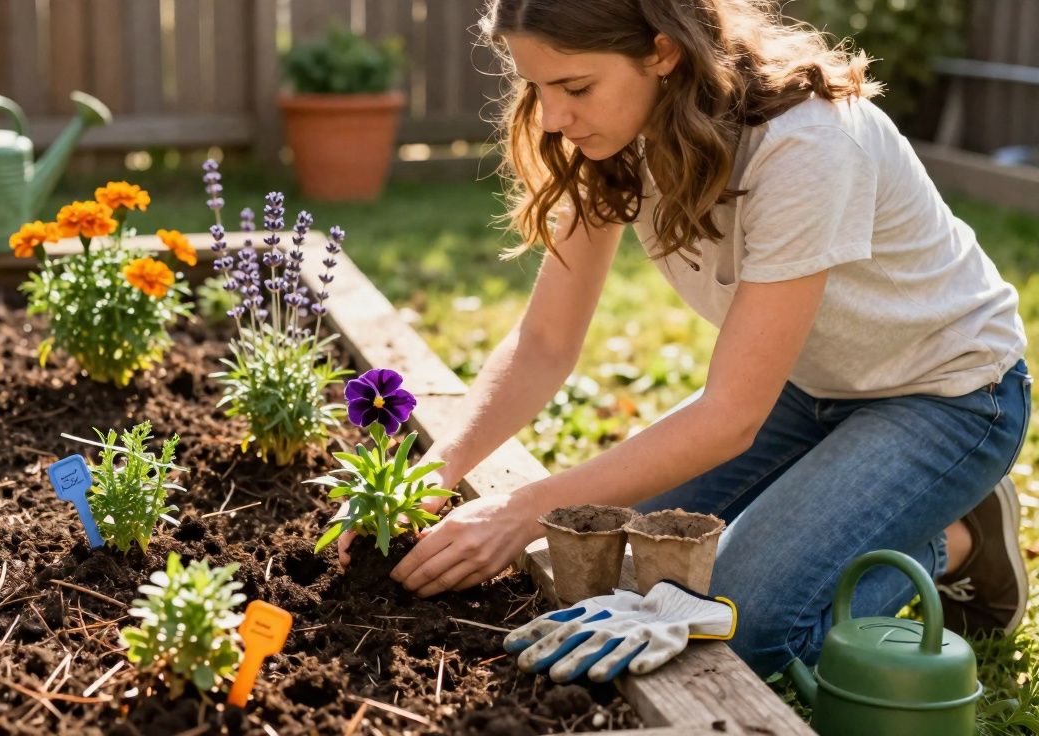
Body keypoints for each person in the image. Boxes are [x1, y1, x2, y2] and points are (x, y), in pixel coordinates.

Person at [340, 0, 1032, 677]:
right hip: (807, 386)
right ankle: (855, 484)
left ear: (662, 51)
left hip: (947, 396)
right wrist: (437, 469)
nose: (552, 117)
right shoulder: (618, 133)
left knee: (740, 626)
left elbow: (731, 418)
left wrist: (521, 509)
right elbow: (546, 341)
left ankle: (959, 540)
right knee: (618, 565)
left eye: (575, 87)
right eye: (537, 87)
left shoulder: (809, 143)